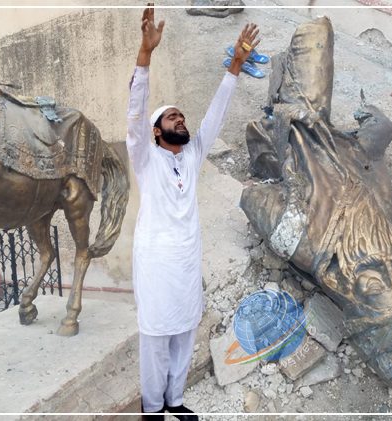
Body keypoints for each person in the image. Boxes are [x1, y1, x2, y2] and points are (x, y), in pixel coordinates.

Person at [126, 5, 260, 420]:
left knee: (184, 332)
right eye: (171, 116)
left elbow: (216, 114)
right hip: (155, 262)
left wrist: (235, 66)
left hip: (185, 261)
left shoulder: (193, 153)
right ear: (155, 131)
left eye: (181, 115)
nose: (180, 118)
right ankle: (152, 409)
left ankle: (174, 401)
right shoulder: (145, 156)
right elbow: (134, 112)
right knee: (156, 339)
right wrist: (144, 55)